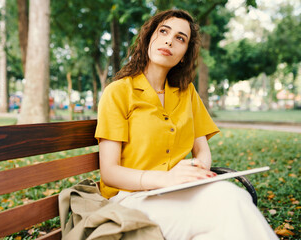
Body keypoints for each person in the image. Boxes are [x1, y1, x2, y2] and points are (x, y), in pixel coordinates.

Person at [95, 9, 278, 240]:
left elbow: (201, 151)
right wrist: (166, 178)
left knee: (233, 197)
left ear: (183, 55)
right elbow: (110, 172)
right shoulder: (118, 92)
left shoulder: (187, 92)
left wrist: (197, 171)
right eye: (163, 31)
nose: (169, 40)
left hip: (177, 191)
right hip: (131, 198)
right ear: (148, 38)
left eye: (180, 38)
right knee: (226, 211)